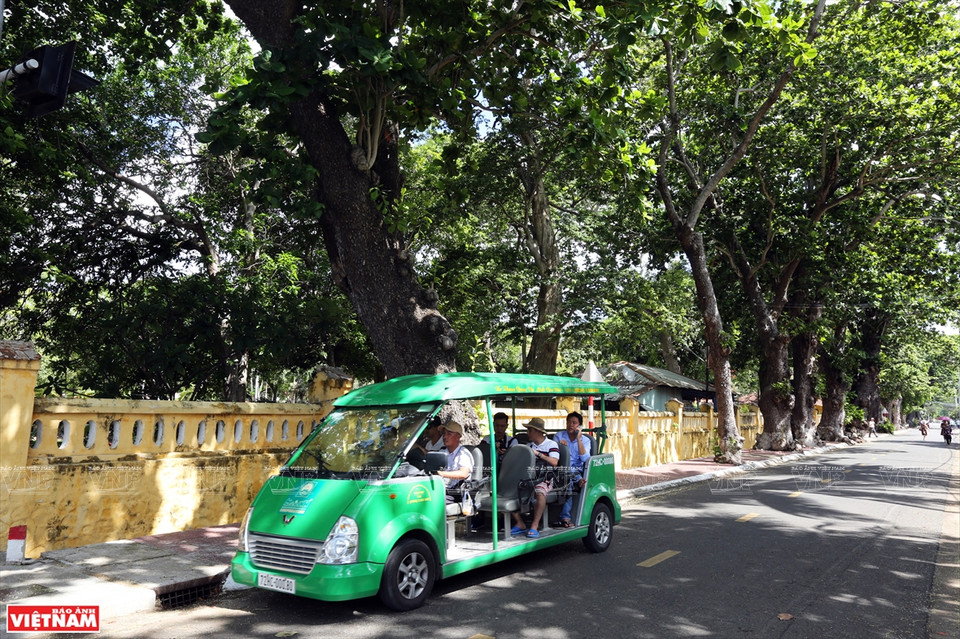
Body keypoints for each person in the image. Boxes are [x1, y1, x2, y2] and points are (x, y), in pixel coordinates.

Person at [510, 417, 559, 539]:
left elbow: (554, 462)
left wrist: (538, 454)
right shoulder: (528, 445)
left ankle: (534, 525)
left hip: (544, 477)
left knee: (540, 492)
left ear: (537, 431)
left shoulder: (551, 444)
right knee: (507, 489)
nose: (527, 433)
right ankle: (520, 523)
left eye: (529, 430)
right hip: (527, 477)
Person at [553, 411, 591, 527]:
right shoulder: (559, 436)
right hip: (559, 469)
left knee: (568, 481)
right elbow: (552, 454)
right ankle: (578, 479)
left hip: (576, 469)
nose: (570, 425)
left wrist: (579, 439)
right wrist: (559, 446)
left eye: (574, 423)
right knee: (567, 475)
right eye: (568, 422)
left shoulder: (585, 440)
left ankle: (565, 517)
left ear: (579, 426)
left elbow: (585, 458)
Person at [435, 421, 473, 504]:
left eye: (449, 434)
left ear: (458, 436)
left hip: (455, 493)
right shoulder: (442, 451)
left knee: (434, 502)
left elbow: (463, 474)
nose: (445, 437)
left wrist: (441, 474)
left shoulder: (463, 454)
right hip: (440, 489)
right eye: (444, 433)